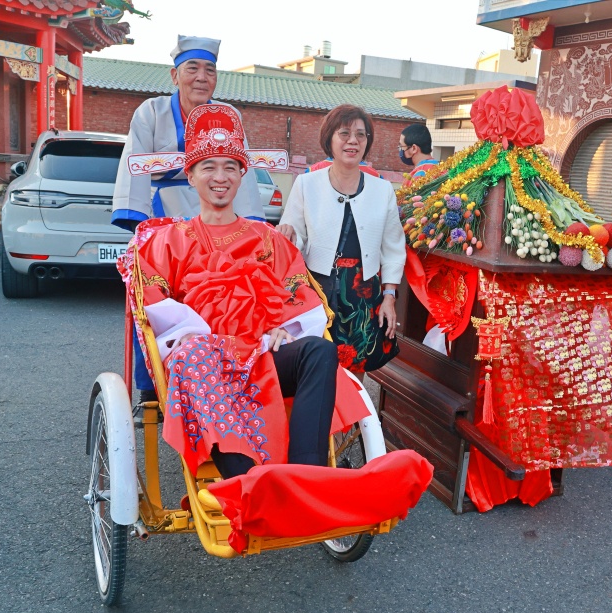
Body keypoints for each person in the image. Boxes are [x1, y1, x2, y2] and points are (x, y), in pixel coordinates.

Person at [118, 103, 368, 479]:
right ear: (191, 175)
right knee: (197, 354)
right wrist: (207, 341)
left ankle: (308, 475)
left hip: (264, 351)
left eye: (230, 167)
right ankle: (246, 482)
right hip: (207, 364)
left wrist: (286, 327)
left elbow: (298, 292)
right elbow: (154, 305)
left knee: (319, 349)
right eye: (209, 167)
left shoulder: (267, 239)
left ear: (241, 175)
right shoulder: (167, 240)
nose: (220, 177)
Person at [110, 35, 266, 411]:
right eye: (192, 68)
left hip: (215, 217)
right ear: (174, 75)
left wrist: (251, 227)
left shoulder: (229, 115)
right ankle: (152, 389)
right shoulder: (151, 112)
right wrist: (141, 229)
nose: (201, 77)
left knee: (229, 290)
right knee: (151, 294)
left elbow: (238, 170)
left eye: (209, 70)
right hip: (166, 215)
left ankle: (232, 373)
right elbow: (135, 165)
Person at [278, 104, 405, 374]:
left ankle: (356, 418)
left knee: (356, 368)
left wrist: (390, 297)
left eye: (361, 135)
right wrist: (289, 238)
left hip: (363, 293)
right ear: (330, 139)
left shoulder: (382, 190)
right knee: (316, 367)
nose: (353, 141)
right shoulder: (306, 184)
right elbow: (295, 235)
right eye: (344, 133)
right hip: (317, 288)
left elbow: (393, 248)